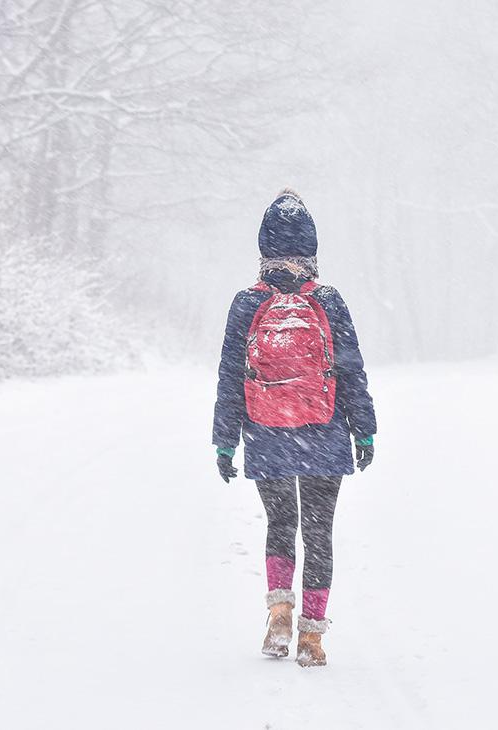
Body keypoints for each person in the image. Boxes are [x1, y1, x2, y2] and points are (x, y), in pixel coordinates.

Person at [212, 188, 377, 668]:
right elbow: (351, 369)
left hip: (267, 432)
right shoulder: (328, 300)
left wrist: (225, 439)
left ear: (263, 249)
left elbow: (229, 376)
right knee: (318, 532)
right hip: (323, 432)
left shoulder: (247, 303)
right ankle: (311, 638)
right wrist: (364, 430)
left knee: (281, 525)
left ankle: (279, 613)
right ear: (312, 250)